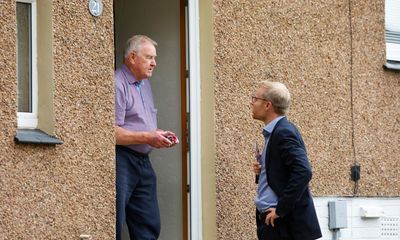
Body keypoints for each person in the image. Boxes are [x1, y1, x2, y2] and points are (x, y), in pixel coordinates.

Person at [114, 35, 179, 240]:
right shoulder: (117, 84)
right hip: (122, 160)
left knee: (148, 224)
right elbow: (111, 133)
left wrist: (157, 134)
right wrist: (147, 136)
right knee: (113, 221)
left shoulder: (143, 83)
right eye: (149, 57)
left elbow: (139, 123)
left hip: (143, 162)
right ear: (132, 57)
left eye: (154, 58)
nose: (154, 63)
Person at [250, 81, 322, 240]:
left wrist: (280, 210)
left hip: (281, 225)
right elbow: (283, 173)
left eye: (255, 98)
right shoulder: (275, 132)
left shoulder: (283, 133)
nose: (251, 103)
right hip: (273, 223)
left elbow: (303, 171)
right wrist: (262, 171)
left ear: (268, 105)